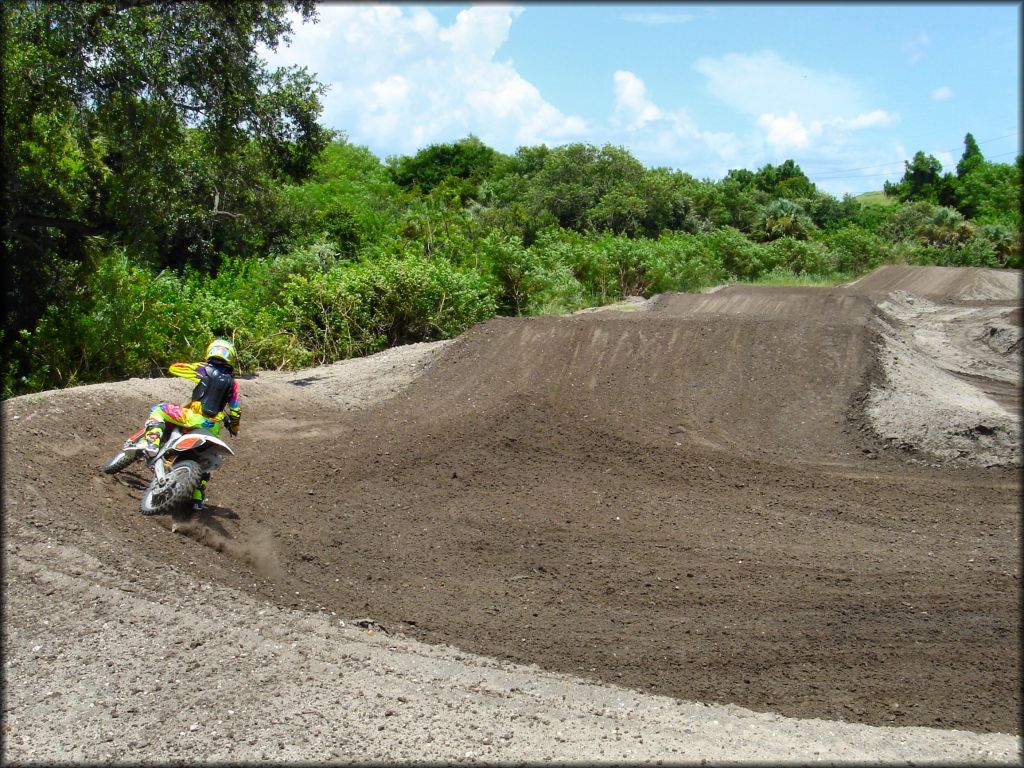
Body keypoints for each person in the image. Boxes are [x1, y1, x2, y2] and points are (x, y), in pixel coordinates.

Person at [141, 338, 242, 511]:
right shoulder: (233, 383)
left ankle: (152, 441)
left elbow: (175, 368)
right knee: (204, 460)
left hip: (192, 416)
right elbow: (235, 411)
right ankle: (197, 496)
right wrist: (234, 427)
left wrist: (184, 366)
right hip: (212, 427)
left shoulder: (202, 369)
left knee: (158, 409)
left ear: (211, 351)